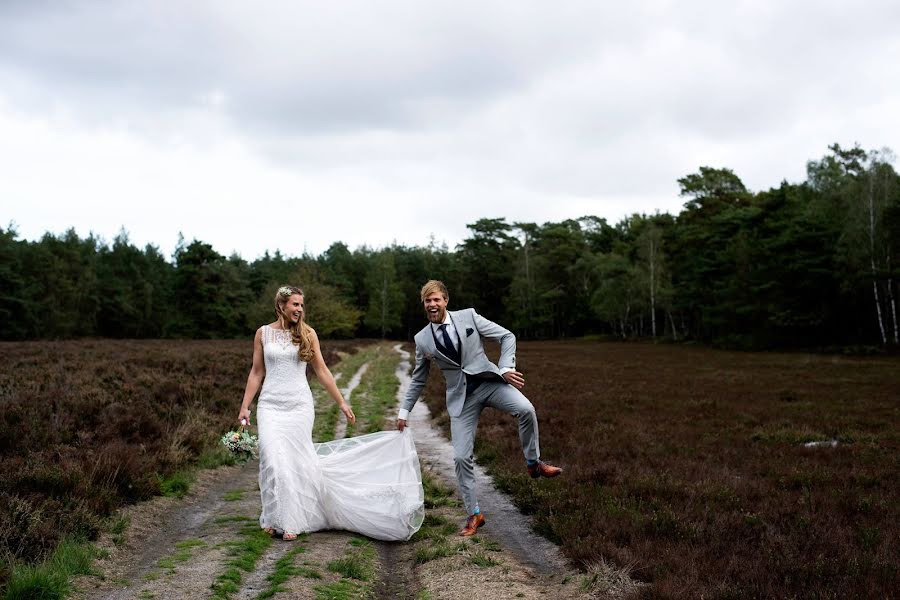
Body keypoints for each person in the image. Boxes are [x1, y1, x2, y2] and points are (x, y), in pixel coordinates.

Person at [238, 285, 424, 541]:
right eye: (295, 304)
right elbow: (256, 372)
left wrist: (342, 402)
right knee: (271, 459)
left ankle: (291, 520)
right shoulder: (263, 334)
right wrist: (245, 405)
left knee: (294, 461)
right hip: (270, 406)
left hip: (299, 406)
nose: (300, 309)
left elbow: (322, 370)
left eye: (302, 305)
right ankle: (272, 515)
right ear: (281, 306)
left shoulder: (308, 334)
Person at [397, 280, 562, 537]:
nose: (432, 305)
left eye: (436, 299)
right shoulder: (422, 340)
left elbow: (507, 336)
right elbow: (419, 379)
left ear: (446, 301)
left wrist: (505, 367)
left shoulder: (469, 317)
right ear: (424, 304)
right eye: (428, 301)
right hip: (462, 399)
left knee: (526, 409)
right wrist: (404, 412)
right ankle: (474, 514)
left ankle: (534, 462)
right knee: (462, 457)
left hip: (490, 382)